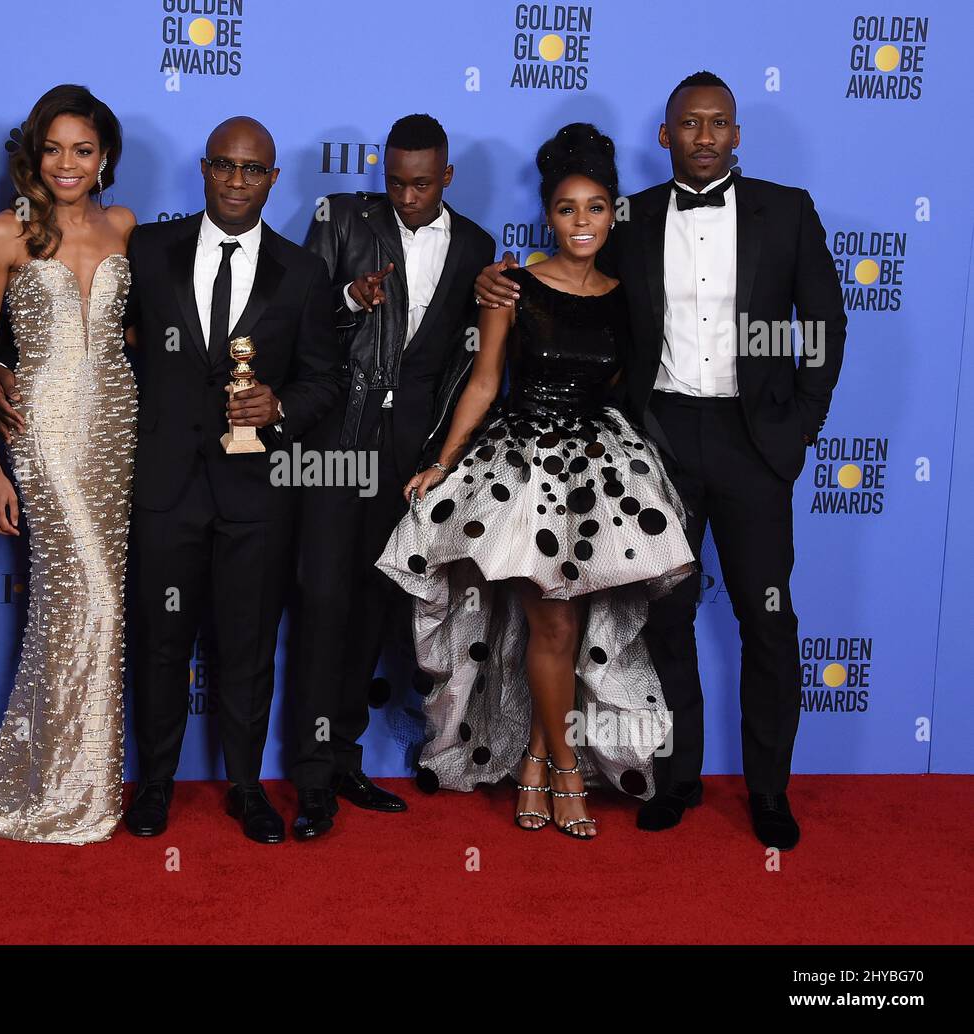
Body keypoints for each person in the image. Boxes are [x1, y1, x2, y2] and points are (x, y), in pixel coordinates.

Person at [474, 73, 847, 849]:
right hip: (660, 442)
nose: (705, 135)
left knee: (767, 619)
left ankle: (769, 791)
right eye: (690, 123)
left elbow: (824, 323)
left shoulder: (788, 210)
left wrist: (799, 429)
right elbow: (569, 278)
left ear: (736, 135)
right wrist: (494, 280)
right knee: (667, 619)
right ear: (666, 135)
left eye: (719, 123)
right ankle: (677, 781)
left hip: (756, 447)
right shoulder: (630, 217)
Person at [0, 116, 344, 843]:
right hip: (159, 486)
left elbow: (324, 379)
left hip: (256, 494)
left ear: (273, 179)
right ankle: (154, 785)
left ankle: (247, 789)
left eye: (253, 170)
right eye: (224, 165)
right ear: (204, 168)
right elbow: (55, 310)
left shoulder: (303, 271)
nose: (237, 181)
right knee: (159, 643)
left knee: (246, 649)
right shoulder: (147, 246)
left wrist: (280, 407)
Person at [378, 123, 694, 838]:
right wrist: (445, 461)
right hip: (522, 472)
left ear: (614, 213)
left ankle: (534, 764)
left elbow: (624, 385)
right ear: (548, 214)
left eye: (595, 208)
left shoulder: (627, 298)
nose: (581, 222)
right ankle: (564, 770)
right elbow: (486, 381)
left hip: (597, 473)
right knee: (550, 621)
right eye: (566, 208)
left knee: (571, 628)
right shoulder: (511, 285)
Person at [290, 114, 495, 840]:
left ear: (445, 177)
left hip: (407, 459)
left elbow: (463, 365)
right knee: (321, 606)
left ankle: (345, 761)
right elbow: (301, 323)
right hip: (333, 443)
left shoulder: (475, 246)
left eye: (421, 184)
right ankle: (311, 777)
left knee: (375, 610)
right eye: (395, 182)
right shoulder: (344, 219)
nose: (406, 197)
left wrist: (439, 456)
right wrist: (351, 302)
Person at [0, 85, 137, 844]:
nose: (67, 164)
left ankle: (60, 780)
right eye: (54, 148)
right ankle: (61, 793)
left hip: (118, 431)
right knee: (86, 597)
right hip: (44, 436)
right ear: (33, 153)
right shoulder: (5, 233)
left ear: (105, 160)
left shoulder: (127, 228)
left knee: (85, 609)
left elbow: (137, 338)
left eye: (84, 150)